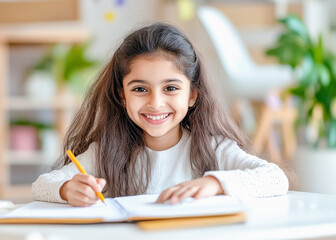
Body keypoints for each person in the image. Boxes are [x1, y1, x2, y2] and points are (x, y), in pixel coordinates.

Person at [32, 22, 289, 207]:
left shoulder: (213, 148)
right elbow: (41, 185)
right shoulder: (106, 152)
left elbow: (275, 178)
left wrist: (215, 184)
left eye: (170, 88)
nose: (156, 103)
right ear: (122, 96)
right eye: (140, 89)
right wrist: (67, 189)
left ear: (192, 95)